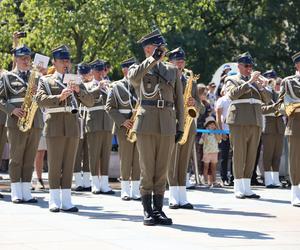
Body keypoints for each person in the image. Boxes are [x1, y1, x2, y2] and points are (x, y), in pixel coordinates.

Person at [128, 29, 184, 226]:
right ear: (148, 49)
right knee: (147, 167)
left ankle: (159, 209)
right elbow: (133, 79)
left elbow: (179, 100)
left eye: (163, 48)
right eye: (159, 48)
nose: (163, 51)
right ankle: (147, 210)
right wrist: (151, 60)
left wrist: (181, 125)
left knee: (161, 168)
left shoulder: (171, 70)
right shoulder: (140, 68)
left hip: (167, 123)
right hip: (146, 122)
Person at [36, 45, 94, 212]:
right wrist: (59, 97)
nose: (65, 63)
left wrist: (78, 90)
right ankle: (54, 200)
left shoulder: (75, 79)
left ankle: (66, 200)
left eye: (67, 60)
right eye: (62, 60)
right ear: (54, 61)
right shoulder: (45, 80)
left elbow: (89, 102)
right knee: (54, 163)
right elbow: (39, 99)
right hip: (54, 124)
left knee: (69, 163)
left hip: (72, 126)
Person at [0, 45, 43, 203]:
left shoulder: (37, 77)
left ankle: (26, 192)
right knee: (16, 157)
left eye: (28, 58)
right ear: (16, 59)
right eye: (23, 58)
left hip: (35, 120)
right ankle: (16, 192)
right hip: (16, 121)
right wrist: (12, 110)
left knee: (29, 157)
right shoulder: (7, 77)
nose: (26, 60)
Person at [225, 52, 270, 199]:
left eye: (250, 66)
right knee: (239, 153)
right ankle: (238, 187)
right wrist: (250, 81)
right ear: (239, 66)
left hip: (255, 121)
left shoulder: (256, 83)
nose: (249, 68)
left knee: (251, 154)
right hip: (238, 121)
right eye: (246, 66)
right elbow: (232, 95)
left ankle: (247, 187)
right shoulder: (231, 79)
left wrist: (262, 87)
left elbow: (268, 100)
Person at [167, 47, 204, 209]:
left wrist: (193, 103)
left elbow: (201, 107)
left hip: (189, 124)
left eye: (182, 59)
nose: (180, 62)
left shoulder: (191, 81)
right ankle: (173, 196)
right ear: (170, 62)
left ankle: (182, 196)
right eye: (177, 59)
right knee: (172, 160)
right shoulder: (167, 78)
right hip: (172, 122)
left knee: (183, 160)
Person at [106, 57, 141, 201]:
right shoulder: (116, 86)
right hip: (123, 126)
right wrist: (123, 121)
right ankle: (125, 190)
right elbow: (109, 107)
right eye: (130, 68)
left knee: (138, 159)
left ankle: (136, 189)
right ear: (124, 70)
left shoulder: (141, 85)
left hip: (139, 125)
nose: (133, 71)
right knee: (126, 158)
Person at [85, 59, 114, 195]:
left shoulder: (109, 85)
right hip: (94, 123)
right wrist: (99, 88)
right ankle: (95, 183)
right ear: (92, 71)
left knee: (105, 154)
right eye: (97, 70)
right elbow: (88, 99)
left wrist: (108, 89)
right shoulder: (88, 85)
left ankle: (105, 183)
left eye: (102, 70)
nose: (100, 73)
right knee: (94, 154)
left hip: (107, 123)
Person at [275, 51, 300, 206]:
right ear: (297, 65)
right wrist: (291, 109)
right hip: (296, 124)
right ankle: (295, 192)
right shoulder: (289, 82)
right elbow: (280, 105)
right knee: (296, 160)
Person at [261, 70, 285, 188]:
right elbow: (262, 108)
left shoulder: (279, 93)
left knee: (277, 154)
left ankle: (275, 179)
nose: (272, 81)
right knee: (268, 154)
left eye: (273, 79)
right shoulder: (263, 92)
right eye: (269, 78)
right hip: (269, 124)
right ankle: (268, 180)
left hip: (279, 125)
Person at [73, 63, 92, 192]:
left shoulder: (89, 84)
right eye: (82, 73)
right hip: (78, 119)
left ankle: (86, 181)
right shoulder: (74, 83)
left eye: (85, 73)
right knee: (77, 152)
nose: (84, 76)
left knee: (87, 152)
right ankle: (78, 181)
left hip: (88, 120)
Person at [215, 85, 233, 186]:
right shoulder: (222, 100)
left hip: (235, 131)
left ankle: (234, 178)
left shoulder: (236, 99)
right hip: (225, 130)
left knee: (235, 156)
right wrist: (221, 131)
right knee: (224, 156)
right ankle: (224, 178)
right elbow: (218, 116)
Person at [199, 116, 222, 187]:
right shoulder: (204, 133)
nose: (212, 126)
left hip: (214, 152)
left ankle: (214, 181)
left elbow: (219, 140)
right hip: (207, 152)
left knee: (214, 168)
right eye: (210, 124)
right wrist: (205, 134)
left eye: (213, 124)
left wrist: (215, 133)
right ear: (207, 126)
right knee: (206, 167)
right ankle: (205, 181)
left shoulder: (216, 133)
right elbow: (201, 142)